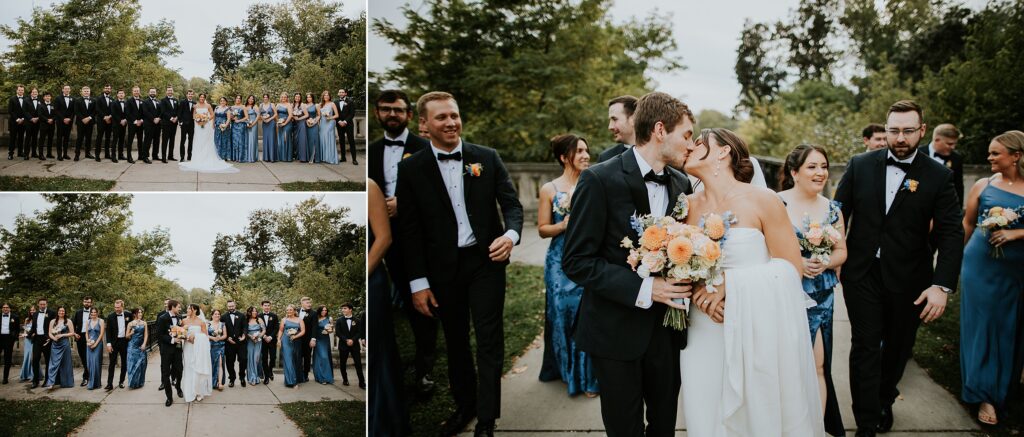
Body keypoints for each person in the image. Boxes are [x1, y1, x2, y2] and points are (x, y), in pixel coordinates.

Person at [562, 92, 694, 436]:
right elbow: (576, 261)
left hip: (667, 332)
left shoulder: (682, 184)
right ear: (661, 130)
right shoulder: (598, 179)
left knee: (664, 427)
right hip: (614, 331)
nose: (691, 145)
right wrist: (647, 288)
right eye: (687, 135)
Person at [679, 127, 824, 436]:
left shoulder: (764, 200)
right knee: (705, 411)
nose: (689, 147)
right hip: (702, 329)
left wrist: (731, 283)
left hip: (754, 327)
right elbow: (678, 264)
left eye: (699, 142)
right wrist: (697, 293)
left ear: (723, 151)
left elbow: (791, 269)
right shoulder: (685, 205)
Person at [397, 91, 525, 436]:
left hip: (485, 262)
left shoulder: (486, 157)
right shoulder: (411, 169)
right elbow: (409, 232)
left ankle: (487, 419)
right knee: (455, 342)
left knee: (489, 340)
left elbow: (511, 205)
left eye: (454, 115)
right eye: (441, 117)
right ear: (424, 123)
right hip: (442, 270)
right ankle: (465, 405)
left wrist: (510, 235)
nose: (451, 122)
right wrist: (418, 283)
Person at [834, 100, 964, 436]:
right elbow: (837, 213)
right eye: (894, 131)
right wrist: (833, 253)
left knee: (897, 348)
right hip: (861, 273)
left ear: (922, 130)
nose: (901, 138)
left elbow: (951, 232)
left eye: (908, 131)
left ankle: (884, 397)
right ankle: (865, 424)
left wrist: (942, 285)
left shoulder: (939, 176)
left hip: (910, 279)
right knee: (865, 346)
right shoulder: (860, 165)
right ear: (886, 129)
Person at [367, 89, 435, 395]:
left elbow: (438, 197)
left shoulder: (426, 148)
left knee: (421, 303)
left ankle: (425, 369)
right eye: (385, 109)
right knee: (386, 304)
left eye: (397, 109)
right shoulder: (371, 152)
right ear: (377, 113)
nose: (391, 114)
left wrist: (403, 205)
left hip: (418, 240)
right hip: (379, 238)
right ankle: (388, 368)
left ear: (408, 114)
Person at [778, 144, 848, 435]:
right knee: (785, 368)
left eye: (824, 167)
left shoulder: (832, 209)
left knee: (818, 366)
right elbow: (763, 250)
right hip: (785, 295)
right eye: (812, 167)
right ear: (794, 172)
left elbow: (842, 251)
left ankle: (815, 429)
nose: (820, 173)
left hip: (820, 298)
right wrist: (796, 262)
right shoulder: (776, 204)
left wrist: (825, 261)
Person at [960, 130, 1024, 426]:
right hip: (979, 265)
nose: (989, 158)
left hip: (1015, 269)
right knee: (982, 324)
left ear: (1016, 156)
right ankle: (982, 393)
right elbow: (968, 223)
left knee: (1008, 325)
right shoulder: (983, 185)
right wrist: (953, 263)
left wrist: (1016, 233)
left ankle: (1005, 381)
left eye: (995, 153)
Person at [537, 133, 598, 397]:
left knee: (588, 316)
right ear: (564, 157)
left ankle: (590, 377)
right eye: (579, 151)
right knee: (563, 316)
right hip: (559, 263)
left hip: (588, 258)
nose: (586, 155)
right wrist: (563, 225)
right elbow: (542, 229)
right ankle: (569, 373)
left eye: (586, 150)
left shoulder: (593, 182)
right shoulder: (549, 189)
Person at [367, 179, 412, 436]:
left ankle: (384, 424)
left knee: (378, 351)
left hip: (371, 279)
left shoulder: (370, 187)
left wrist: (362, 273)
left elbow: (384, 238)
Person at [178, 94, 238, 173]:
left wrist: (206, 119)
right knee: (198, 141)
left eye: (203, 97)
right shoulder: (195, 106)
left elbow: (213, 115)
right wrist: (198, 120)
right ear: (199, 98)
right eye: (201, 97)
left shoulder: (208, 105)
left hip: (206, 125)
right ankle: (197, 158)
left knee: (206, 140)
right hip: (198, 126)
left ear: (205, 98)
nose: (202, 98)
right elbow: (193, 115)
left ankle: (206, 157)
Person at [927, 123, 966, 204]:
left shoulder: (957, 159)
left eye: (955, 144)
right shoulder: (918, 153)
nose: (953, 147)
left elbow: (958, 187)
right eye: (950, 144)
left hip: (945, 206)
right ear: (937, 140)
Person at [181, 304, 212, 403]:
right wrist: (186, 337)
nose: (187, 310)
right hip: (188, 347)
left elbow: (205, 336)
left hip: (198, 348)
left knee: (197, 367)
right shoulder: (184, 321)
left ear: (194, 310)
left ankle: (198, 392)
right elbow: (181, 334)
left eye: (188, 309)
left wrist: (196, 336)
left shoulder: (201, 322)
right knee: (188, 368)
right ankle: (189, 391)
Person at [156, 300, 184, 406]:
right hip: (166, 350)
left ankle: (178, 387)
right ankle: (169, 397)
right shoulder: (162, 318)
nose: (180, 309)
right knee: (166, 374)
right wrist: (172, 340)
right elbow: (160, 335)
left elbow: (181, 330)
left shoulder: (179, 317)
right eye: (178, 307)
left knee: (180, 370)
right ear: (172, 307)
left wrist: (182, 336)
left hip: (178, 349)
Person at [597, 95, 637, 163]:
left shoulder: (655, 153)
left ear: (633, 119)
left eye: (614, 119)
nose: (610, 127)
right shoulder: (606, 158)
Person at [43, 306, 75, 388]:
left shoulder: (68, 321)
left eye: (63, 311)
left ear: (65, 312)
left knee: (65, 363)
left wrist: (62, 335)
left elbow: (72, 333)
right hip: (55, 344)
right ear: (57, 312)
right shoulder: (52, 321)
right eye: (60, 311)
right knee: (53, 363)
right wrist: (54, 338)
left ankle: (66, 382)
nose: (61, 312)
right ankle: (51, 382)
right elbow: (49, 333)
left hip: (64, 344)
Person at [335, 303, 364, 388]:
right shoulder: (339, 320)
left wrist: (353, 340)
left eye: (345, 308)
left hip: (355, 345)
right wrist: (346, 340)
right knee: (343, 363)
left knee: (358, 363)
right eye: (342, 308)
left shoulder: (357, 320)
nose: (343, 310)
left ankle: (362, 382)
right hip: (343, 345)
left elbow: (360, 332)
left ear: (350, 309)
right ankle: (345, 380)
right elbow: (338, 332)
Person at [29, 298, 56, 388]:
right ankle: (35, 381)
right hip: (37, 339)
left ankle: (47, 380)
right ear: (38, 304)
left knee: (48, 360)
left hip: (47, 340)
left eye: (44, 304)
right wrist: (28, 335)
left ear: (46, 304)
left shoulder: (52, 313)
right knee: (35, 360)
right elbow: (33, 327)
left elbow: (54, 327)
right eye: (41, 304)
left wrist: (50, 337)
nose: (42, 306)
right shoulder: (35, 314)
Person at [105, 299, 130, 390]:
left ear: (122, 306)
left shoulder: (128, 315)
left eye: (118, 307)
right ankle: (109, 384)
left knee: (124, 363)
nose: (116, 309)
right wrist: (108, 344)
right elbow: (108, 331)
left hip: (124, 342)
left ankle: (121, 382)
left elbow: (134, 324)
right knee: (112, 363)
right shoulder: (110, 316)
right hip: (114, 343)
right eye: (115, 307)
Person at [279, 304, 306, 388]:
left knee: (296, 360)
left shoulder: (300, 320)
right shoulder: (284, 319)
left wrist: (295, 336)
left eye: (290, 310)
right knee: (288, 360)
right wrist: (278, 339)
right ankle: (292, 382)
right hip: (286, 341)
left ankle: (296, 378)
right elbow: (281, 330)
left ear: (294, 311)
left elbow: (303, 331)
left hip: (296, 341)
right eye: (287, 310)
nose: (288, 311)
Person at [222, 300, 247, 387]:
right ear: (227, 306)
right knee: (229, 362)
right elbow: (221, 329)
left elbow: (245, 327)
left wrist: (244, 335)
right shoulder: (223, 317)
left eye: (232, 306)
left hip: (241, 342)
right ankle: (232, 379)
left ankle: (242, 377)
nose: (231, 308)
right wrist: (227, 338)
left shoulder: (242, 315)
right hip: (229, 343)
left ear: (235, 305)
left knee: (243, 360)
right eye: (229, 306)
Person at [73, 297, 93, 386]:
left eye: (88, 302)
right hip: (80, 337)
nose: (86, 303)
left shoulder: (93, 312)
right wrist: (74, 334)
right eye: (85, 302)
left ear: (91, 303)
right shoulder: (78, 312)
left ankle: (86, 377)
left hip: (90, 337)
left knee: (89, 357)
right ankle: (87, 375)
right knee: (83, 358)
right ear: (83, 302)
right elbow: (73, 324)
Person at [125, 308, 148, 389]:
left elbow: (146, 335)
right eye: (139, 313)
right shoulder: (130, 324)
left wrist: (144, 344)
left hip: (141, 346)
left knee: (142, 364)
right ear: (134, 314)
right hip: (132, 346)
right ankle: (133, 383)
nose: (140, 314)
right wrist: (131, 333)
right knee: (133, 364)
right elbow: (126, 336)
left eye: (141, 312)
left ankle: (140, 382)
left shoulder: (144, 323)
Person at [312, 306, 334, 384]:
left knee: (325, 357)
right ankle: (321, 377)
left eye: (325, 310)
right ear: (319, 311)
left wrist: (328, 331)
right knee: (320, 357)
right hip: (317, 339)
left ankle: (326, 377)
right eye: (322, 310)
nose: (324, 311)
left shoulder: (329, 319)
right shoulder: (316, 318)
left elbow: (332, 330)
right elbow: (313, 328)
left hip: (325, 340)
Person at [258, 301, 279, 385]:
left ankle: (270, 370)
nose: (267, 307)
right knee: (264, 358)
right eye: (265, 305)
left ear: (270, 306)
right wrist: (264, 336)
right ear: (262, 306)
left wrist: (270, 337)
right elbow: (258, 328)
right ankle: (266, 376)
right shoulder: (258, 316)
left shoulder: (274, 316)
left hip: (272, 340)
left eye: (268, 305)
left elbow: (276, 328)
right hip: (262, 340)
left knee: (273, 357)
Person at [317, 91, 340, 164]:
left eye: (327, 95)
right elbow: (319, 116)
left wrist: (330, 117)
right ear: (323, 97)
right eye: (325, 95)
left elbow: (337, 115)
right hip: (323, 123)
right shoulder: (320, 105)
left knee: (329, 138)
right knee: (322, 139)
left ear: (329, 96)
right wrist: (317, 123)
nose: (326, 96)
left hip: (330, 123)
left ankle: (330, 158)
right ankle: (323, 157)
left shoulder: (332, 104)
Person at [74, 86, 96, 161]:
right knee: (79, 138)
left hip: (90, 122)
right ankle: (77, 154)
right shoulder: (77, 100)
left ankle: (88, 153)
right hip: (81, 122)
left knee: (88, 138)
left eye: (87, 91)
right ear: (82, 92)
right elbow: (76, 111)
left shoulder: (94, 100)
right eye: (85, 91)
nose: (86, 92)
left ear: (89, 92)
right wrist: (83, 119)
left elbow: (95, 111)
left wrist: (89, 118)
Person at [298, 297, 317, 383]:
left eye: (310, 303)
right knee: (297, 356)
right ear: (302, 303)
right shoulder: (296, 311)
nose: (309, 304)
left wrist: (313, 339)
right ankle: (297, 373)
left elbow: (314, 327)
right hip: (296, 338)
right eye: (307, 303)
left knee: (307, 357)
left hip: (307, 339)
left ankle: (305, 375)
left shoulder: (313, 313)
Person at [336, 88, 358, 164]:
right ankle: (343, 157)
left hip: (348, 124)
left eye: (342, 92)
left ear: (345, 93)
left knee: (351, 141)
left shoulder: (350, 101)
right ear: (338, 94)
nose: (341, 93)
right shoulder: (335, 102)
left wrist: (345, 121)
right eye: (340, 92)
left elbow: (352, 114)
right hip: (339, 124)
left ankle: (354, 159)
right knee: (341, 141)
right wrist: (339, 121)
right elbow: (335, 113)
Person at [85, 308, 104, 390]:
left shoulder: (101, 321)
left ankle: (96, 383)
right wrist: (88, 341)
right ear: (90, 313)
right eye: (92, 312)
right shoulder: (87, 321)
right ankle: (91, 382)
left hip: (98, 344)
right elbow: (86, 333)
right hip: (89, 345)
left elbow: (101, 334)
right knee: (89, 364)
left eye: (95, 312)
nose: (93, 314)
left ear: (97, 313)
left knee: (96, 363)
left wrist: (95, 344)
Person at [245, 307, 265, 386]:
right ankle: (252, 377)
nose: (255, 312)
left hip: (258, 341)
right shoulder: (246, 320)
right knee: (250, 358)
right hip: (250, 341)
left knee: (256, 358)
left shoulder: (259, 320)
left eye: (256, 311)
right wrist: (251, 337)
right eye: (253, 311)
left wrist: (258, 336)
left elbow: (264, 330)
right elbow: (244, 331)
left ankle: (257, 375)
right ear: (249, 312)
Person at [158, 86, 179, 162]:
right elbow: (163, 112)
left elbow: (178, 111)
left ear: (173, 91)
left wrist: (176, 118)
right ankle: (164, 157)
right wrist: (171, 118)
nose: (170, 92)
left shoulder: (176, 100)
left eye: (171, 90)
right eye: (168, 90)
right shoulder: (163, 100)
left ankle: (170, 156)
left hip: (174, 124)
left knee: (172, 140)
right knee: (165, 141)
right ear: (166, 92)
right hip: (166, 123)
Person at [208, 309, 227, 390]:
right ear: (212, 315)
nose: (217, 315)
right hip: (211, 346)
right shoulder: (208, 324)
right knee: (211, 364)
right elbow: (205, 335)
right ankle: (212, 382)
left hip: (220, 346)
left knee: (220, 363)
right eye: (215, 314)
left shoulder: (222, 324)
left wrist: (219, 338)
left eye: (218, 314)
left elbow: (225, 335)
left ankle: (219, 383)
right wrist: (213, 338)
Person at [125, 86, 145, 163]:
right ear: (132, 92)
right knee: (130, 141)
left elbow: (144, 112)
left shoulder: (142, 101)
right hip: (132, 124)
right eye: (135, 91)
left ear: (139, 92)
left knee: (140, 140)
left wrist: (141, 120)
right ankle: (129, 157)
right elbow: (128, 113)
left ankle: (140, 155)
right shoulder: (128, 101)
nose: (136, 92)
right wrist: (136, 121)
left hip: (141, 124)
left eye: (137, 91)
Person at [141, 88, 161, 164]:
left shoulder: (159, 101)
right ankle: (145, 156)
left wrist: (159, 118)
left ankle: (155, 155)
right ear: (149, 93)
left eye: (154, 92)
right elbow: (145, 112)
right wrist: (153, 119)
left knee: (156, 140)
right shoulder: (145, 102)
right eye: (151, 92)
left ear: (156, 93)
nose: (153, 93)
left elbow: (161, 111)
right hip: (149, 124)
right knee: (147, 141)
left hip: (157, 124)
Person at [54, 85, 75, 161]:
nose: (67, 90)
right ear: (63, 90)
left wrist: (70, 119)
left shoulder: (73, 98)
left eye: (68, 89)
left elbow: (74, 111)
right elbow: (56, 110)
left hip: (69, 122)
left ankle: (65, 154)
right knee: (59, 139)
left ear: (70, 90)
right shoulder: (58, 98)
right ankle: (59, 155)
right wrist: (63, 119)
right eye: (65, 89)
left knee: (67, 138)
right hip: (60, 121)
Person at [94, 84, 113, 160]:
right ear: (103, 89)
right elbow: (97, 109)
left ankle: (107, 154)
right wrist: (104, 117)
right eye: (106, 88)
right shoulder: (99, 98)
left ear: (110, 90)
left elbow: (113, 110)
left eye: (109, 88)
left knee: (108, 138)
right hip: (101, 121)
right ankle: (97, 155)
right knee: (99, 137)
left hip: (109, 121)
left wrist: (109, 117)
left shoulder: (112, 99)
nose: (107, 89)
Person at [8, 85, 27, 160]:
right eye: (19, 90)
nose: (21, 91)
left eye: (22, 90)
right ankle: (10, 154)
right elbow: (10, 111)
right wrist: (17, 119)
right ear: (17, 90)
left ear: (23, 91)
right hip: (14, 122)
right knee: (12, 138)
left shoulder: (26, 99)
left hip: (23, 122)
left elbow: (27, 110)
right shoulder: (12, 99)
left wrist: (23, 119)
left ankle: (20, 152)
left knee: (21, 138)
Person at [178, 89, 196, 161]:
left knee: (190, 141)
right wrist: (180, 121)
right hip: (184, 124)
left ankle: (189, 156)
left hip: (191, 125)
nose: (190, 95)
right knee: (183, 141)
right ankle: (182, 157)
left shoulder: (195, 103)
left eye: (191, 94)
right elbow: (179, 112)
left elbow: (196, 113)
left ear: (193, 95)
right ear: (187, 95)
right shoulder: (182, 102)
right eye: (189, 94)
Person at [110, 90, 127, 163]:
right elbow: (113, 113)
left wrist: (125, 120)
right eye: (119, 93)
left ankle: (121, 155)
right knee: (115, 140)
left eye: (122, 93)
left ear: (124, 94)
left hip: (124, 124)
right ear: (117, 95)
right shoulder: (113, 103)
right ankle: (113, 156)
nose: (121, 94)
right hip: (116, 124)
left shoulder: (126, 103)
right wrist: (120, 120)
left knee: (122, 140)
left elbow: (128, 112)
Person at [37, 92, 56, 160]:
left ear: (50, 97)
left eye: (49, 96)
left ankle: (49, 154)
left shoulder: (53, 105)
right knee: (42, 140)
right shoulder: (40, 105)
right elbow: (40, 115)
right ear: (44, 97)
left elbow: (56, 114)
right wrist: (47, 120)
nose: (48, 97)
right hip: (43, 125)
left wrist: (52, 119)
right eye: (46, 96)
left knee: (50, 140)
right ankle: (41, 155)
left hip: (52, 125)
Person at [291, 93, 309, 163]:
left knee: (302, 140)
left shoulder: (302, 105)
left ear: (300, 98)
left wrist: (299, 118)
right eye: (296, 96)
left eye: (299, 97)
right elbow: (291, 114)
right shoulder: (292, 105)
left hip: (301, 123)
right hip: (295, 124)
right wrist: (293, 117)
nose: (297, 98)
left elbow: (307, 115)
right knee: (295, 140)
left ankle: (303, 157)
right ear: (294, 97)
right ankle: (297, 156)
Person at [275, 92, 293, 162]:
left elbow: (290, 115)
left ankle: (287, 157)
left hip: (287, 123)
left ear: (287, 98)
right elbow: (275, 114)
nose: (283, 98)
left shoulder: (288, 105)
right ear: (280, 98)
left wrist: (285, 123)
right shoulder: (278, 105)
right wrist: (278, 121)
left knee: (285, 138)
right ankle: (281, 156)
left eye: (285, 97)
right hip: (280, 123)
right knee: (280, 138)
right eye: (282, 97)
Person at [1, 303, 16, 384]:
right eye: (4, 307)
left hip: (9, 339)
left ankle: (5, 378)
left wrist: (14, 339)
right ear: (2, 309)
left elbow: (17, 329)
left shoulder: (15, 317)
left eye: (7, 307)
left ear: (9, 308)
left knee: (7, 359)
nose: (5, 309)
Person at [23, 88, 40, 160]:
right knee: (28, 138)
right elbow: (25, 111)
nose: (35, 93)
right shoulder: (26, 100)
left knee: (35, 138)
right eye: (33, 92)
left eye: (36, 92)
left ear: (37, 93)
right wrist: (31, 118)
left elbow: (42, 110)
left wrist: (38, 118)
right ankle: (26, 154)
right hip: (29, 122)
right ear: (31, 93)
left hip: (37, 122)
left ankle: (34, 153)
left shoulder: (40, 100)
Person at [241, 95, 259, 163]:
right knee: (247, 140)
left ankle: (252, 157)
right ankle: (247, 156)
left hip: (253, 124)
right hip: (246, 124)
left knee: (252, 140)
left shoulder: (255, 106)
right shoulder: (245, 106)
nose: (251, 100)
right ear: (247, 99)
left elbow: (258, 116)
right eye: (249, 98)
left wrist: (253, 124)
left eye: (252, 99)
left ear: (254, 100)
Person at [230, 95, 248, 162]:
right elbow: (230, 116)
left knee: (240, 141)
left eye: (239, 98)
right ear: (235, 99)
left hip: (241, 126)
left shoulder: (243, 107)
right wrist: (233, 118)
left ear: (241, 100)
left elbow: (246, 117)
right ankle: (234, 157)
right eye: (237, 98)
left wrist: (239, 120)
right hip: (234, 126)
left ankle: (240, 157)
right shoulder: (232, 107)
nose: (238, 99)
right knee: (234, 141)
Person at [302, 93, 319, 163]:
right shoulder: (304, 105)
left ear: (312, 98)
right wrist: (307, 121)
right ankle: (308, 157)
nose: (308, 98)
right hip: (306, 124)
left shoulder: (316, 105)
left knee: (314, 140)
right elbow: (304, 115)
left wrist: (314, 122)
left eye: (310, 97)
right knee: (308, 140)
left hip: (314, 124)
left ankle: (314, 158)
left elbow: (319, 115)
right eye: (307, 97)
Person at [260, 94, 277, 161]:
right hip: (265, 124)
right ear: (263, 98)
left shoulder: (272, 104)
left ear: (268, 98)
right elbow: (259, 114)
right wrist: (263, 119)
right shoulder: (261, 105)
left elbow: (275, 114)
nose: (265, 98)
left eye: (266, 97)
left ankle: (272, 157)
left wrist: (270, 119)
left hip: (271, 123)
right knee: (266, 139)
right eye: (264, 97)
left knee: (271, 138)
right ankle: (266, 157)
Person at [214, 97, 232, 161]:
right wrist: (213, 124)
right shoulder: (216, 108)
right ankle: (217, 155)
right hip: (217, 126)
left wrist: (225, 126)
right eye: (221, 101)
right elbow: (214, 116)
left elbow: (229, 119)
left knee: (224, 140)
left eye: (224, 101)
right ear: (220, 102)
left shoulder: (228, 109)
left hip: (224, 126)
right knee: (217, 139)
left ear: (226, 102)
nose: (222, 102)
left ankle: (224, 156)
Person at [19, 308, 34, 382]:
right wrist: (24, 334)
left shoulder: (37, 319)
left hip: (34, 340)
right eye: (31, 310)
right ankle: (24, 375)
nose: (32, 311)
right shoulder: (27, 319)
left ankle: (33, 375)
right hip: (27, 340)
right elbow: (25, 329)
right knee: (26, 357)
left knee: (32, 357)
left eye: (33, 310)